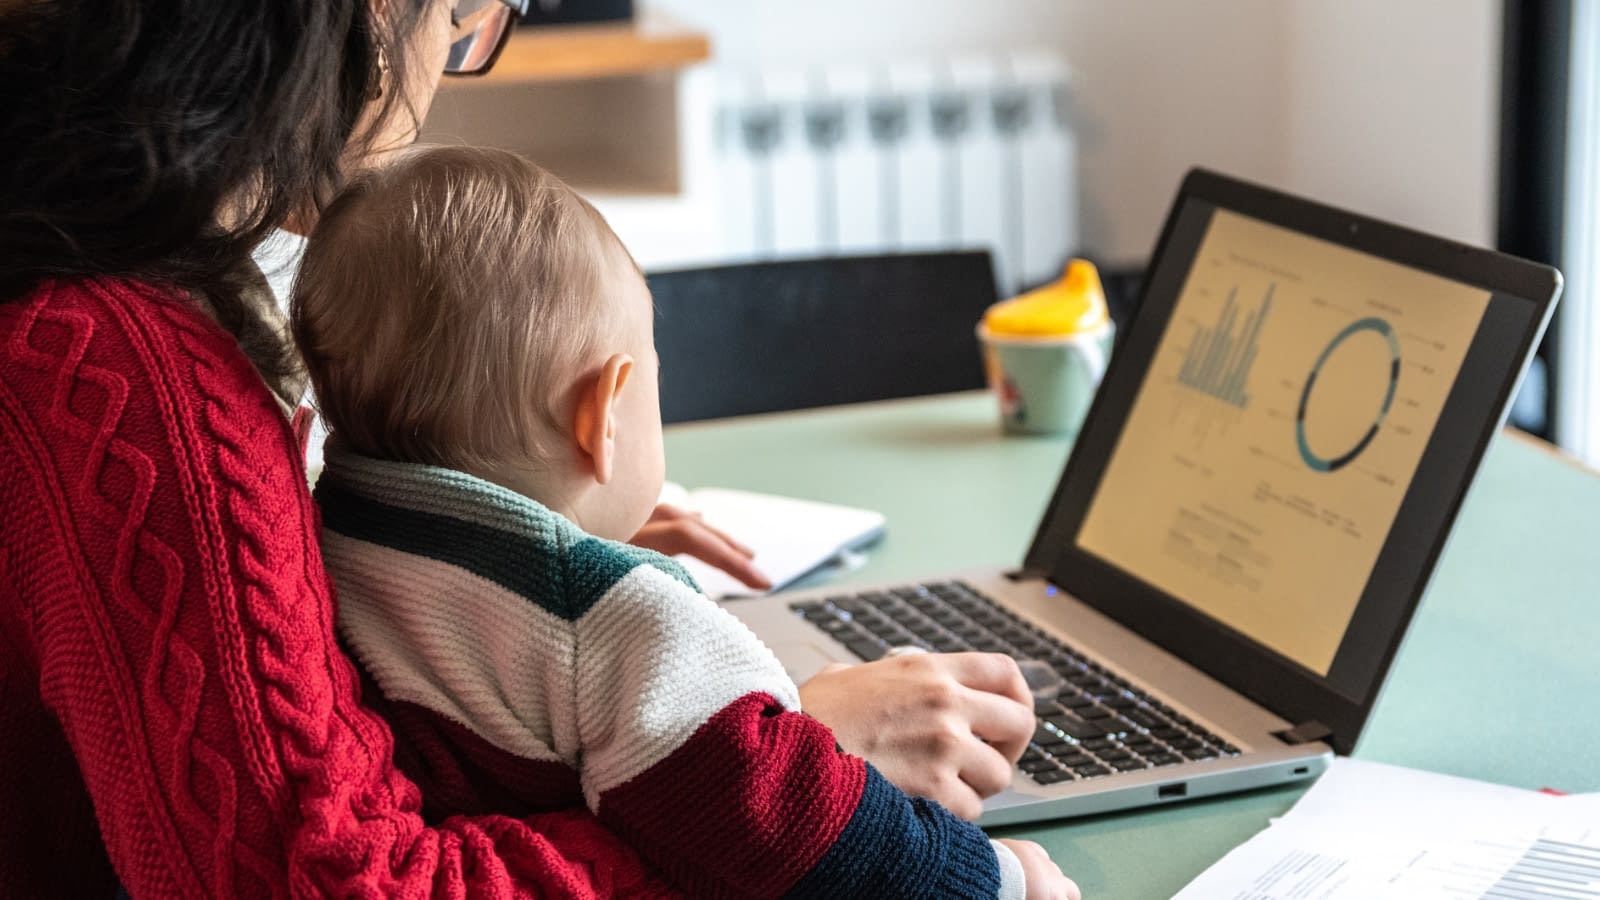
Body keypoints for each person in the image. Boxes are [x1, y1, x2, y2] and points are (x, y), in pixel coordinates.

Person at [0, 0, 1062, 896]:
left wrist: (493, 534)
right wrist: (747, 781)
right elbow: (343, 879)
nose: (446, 69)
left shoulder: (141, 271)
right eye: (466, 13)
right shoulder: (118, 355)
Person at [290, 143, 1076, 899]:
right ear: (602, 417)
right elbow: (790, 817)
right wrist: (994, 880)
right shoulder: (614, 618)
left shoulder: (333, 524)